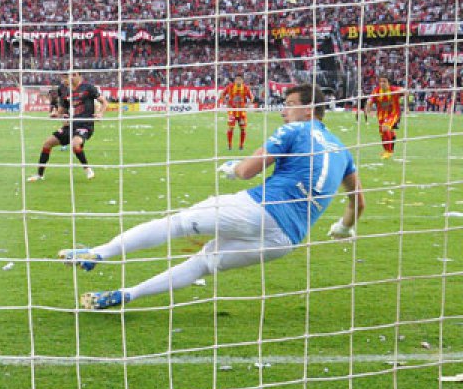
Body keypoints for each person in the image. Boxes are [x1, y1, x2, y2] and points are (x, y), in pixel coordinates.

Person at [60, 85, 364, 309]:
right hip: (285, 240)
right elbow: (358, 201)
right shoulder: (343, 150)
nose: (284, 111)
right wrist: (344, 227)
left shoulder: (295, 130)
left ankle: (98, 253)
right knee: (203, 263)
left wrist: (234, 169)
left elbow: (248, 171)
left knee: (176, 224)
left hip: (259, 209)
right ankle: (128, 295)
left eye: (290, 104)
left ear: (308, 110)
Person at [28, 71, 106, 182]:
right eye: (70, 75)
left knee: (75, 143)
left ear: (80, 76)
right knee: (47, 143)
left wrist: (100, 113)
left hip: (84, 125)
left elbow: (104, 102)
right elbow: (62, 110)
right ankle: (39, 175)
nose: (71, 77)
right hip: (70, 125)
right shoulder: (65, 91)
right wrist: (57, 115)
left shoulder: (88, 88)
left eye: (74, 75)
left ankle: (87, 169)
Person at [369, 76, 403, 159]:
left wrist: (404, 93)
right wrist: (369, 111)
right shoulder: (376, 91)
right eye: (380, 81)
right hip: (381, 115)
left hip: (394, 113)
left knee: (385, 128)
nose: (382, 83)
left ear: (388, 83)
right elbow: (369, 101)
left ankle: (389, 152)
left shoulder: (393, 89)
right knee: (383, 133)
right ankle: (387, 150)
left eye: (384, 81)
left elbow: (404, 91)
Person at [220, 75, 254, 151]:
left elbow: (252, 98)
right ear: (234, 80)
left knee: (243, 129)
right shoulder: (230, 87)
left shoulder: (245, 88)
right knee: (230, 128)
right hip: (232, 111)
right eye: (237, 79)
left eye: (239, 79)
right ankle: (229, 145)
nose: (238, 81)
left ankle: (241, 145)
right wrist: (226, 102)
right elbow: (222, 94)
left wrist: (247, 105)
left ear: (242, 81)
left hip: (242, 112)